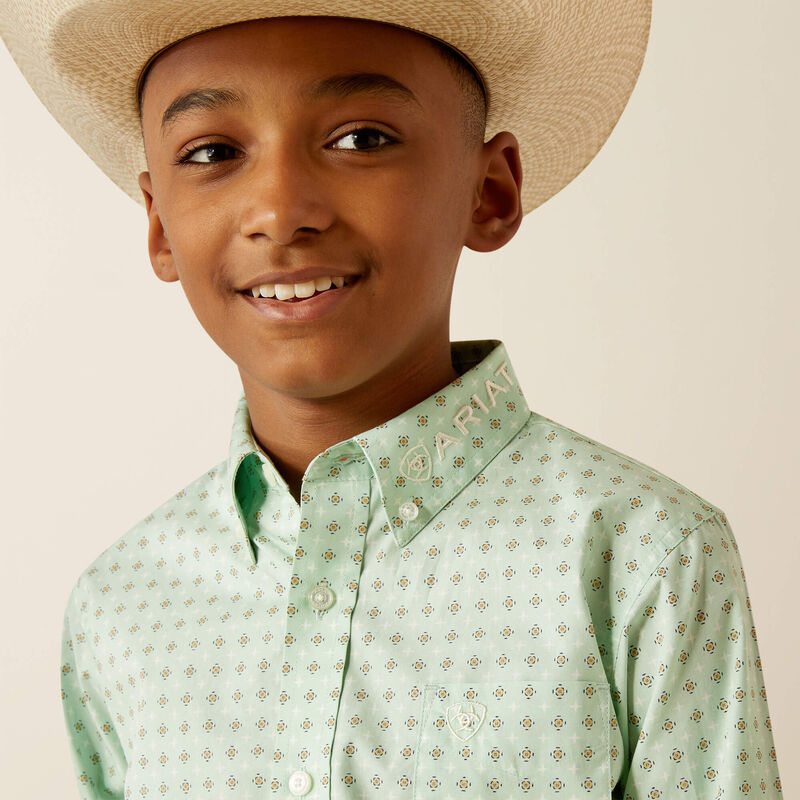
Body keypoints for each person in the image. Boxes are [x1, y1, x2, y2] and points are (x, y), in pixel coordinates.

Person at [1, 2, 783, 798]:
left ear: (489, 192)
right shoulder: (120, 605)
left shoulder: (644, 556)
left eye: (361, 139)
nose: (280, 212)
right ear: (160, 226)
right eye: (212, 152)